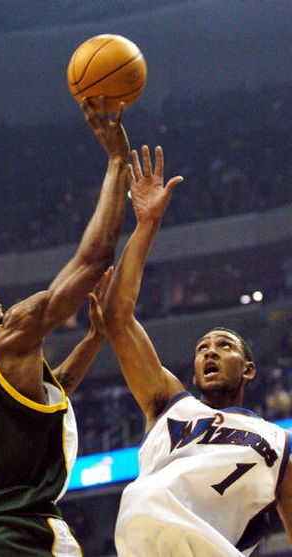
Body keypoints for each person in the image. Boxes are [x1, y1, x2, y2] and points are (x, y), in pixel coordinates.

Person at [0, 97, 129, 557]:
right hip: (20, 537)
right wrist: (116, 162)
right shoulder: (9, 335)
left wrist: (94, 339)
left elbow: (32, 406)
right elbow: (93, 260)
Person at [99, 145, 292, 556]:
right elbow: (118, 316)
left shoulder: (278, 442)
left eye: (224, 346)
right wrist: (147, 224)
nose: (210, 352)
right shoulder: (169, 405)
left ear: (249, 369)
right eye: (203, 347)